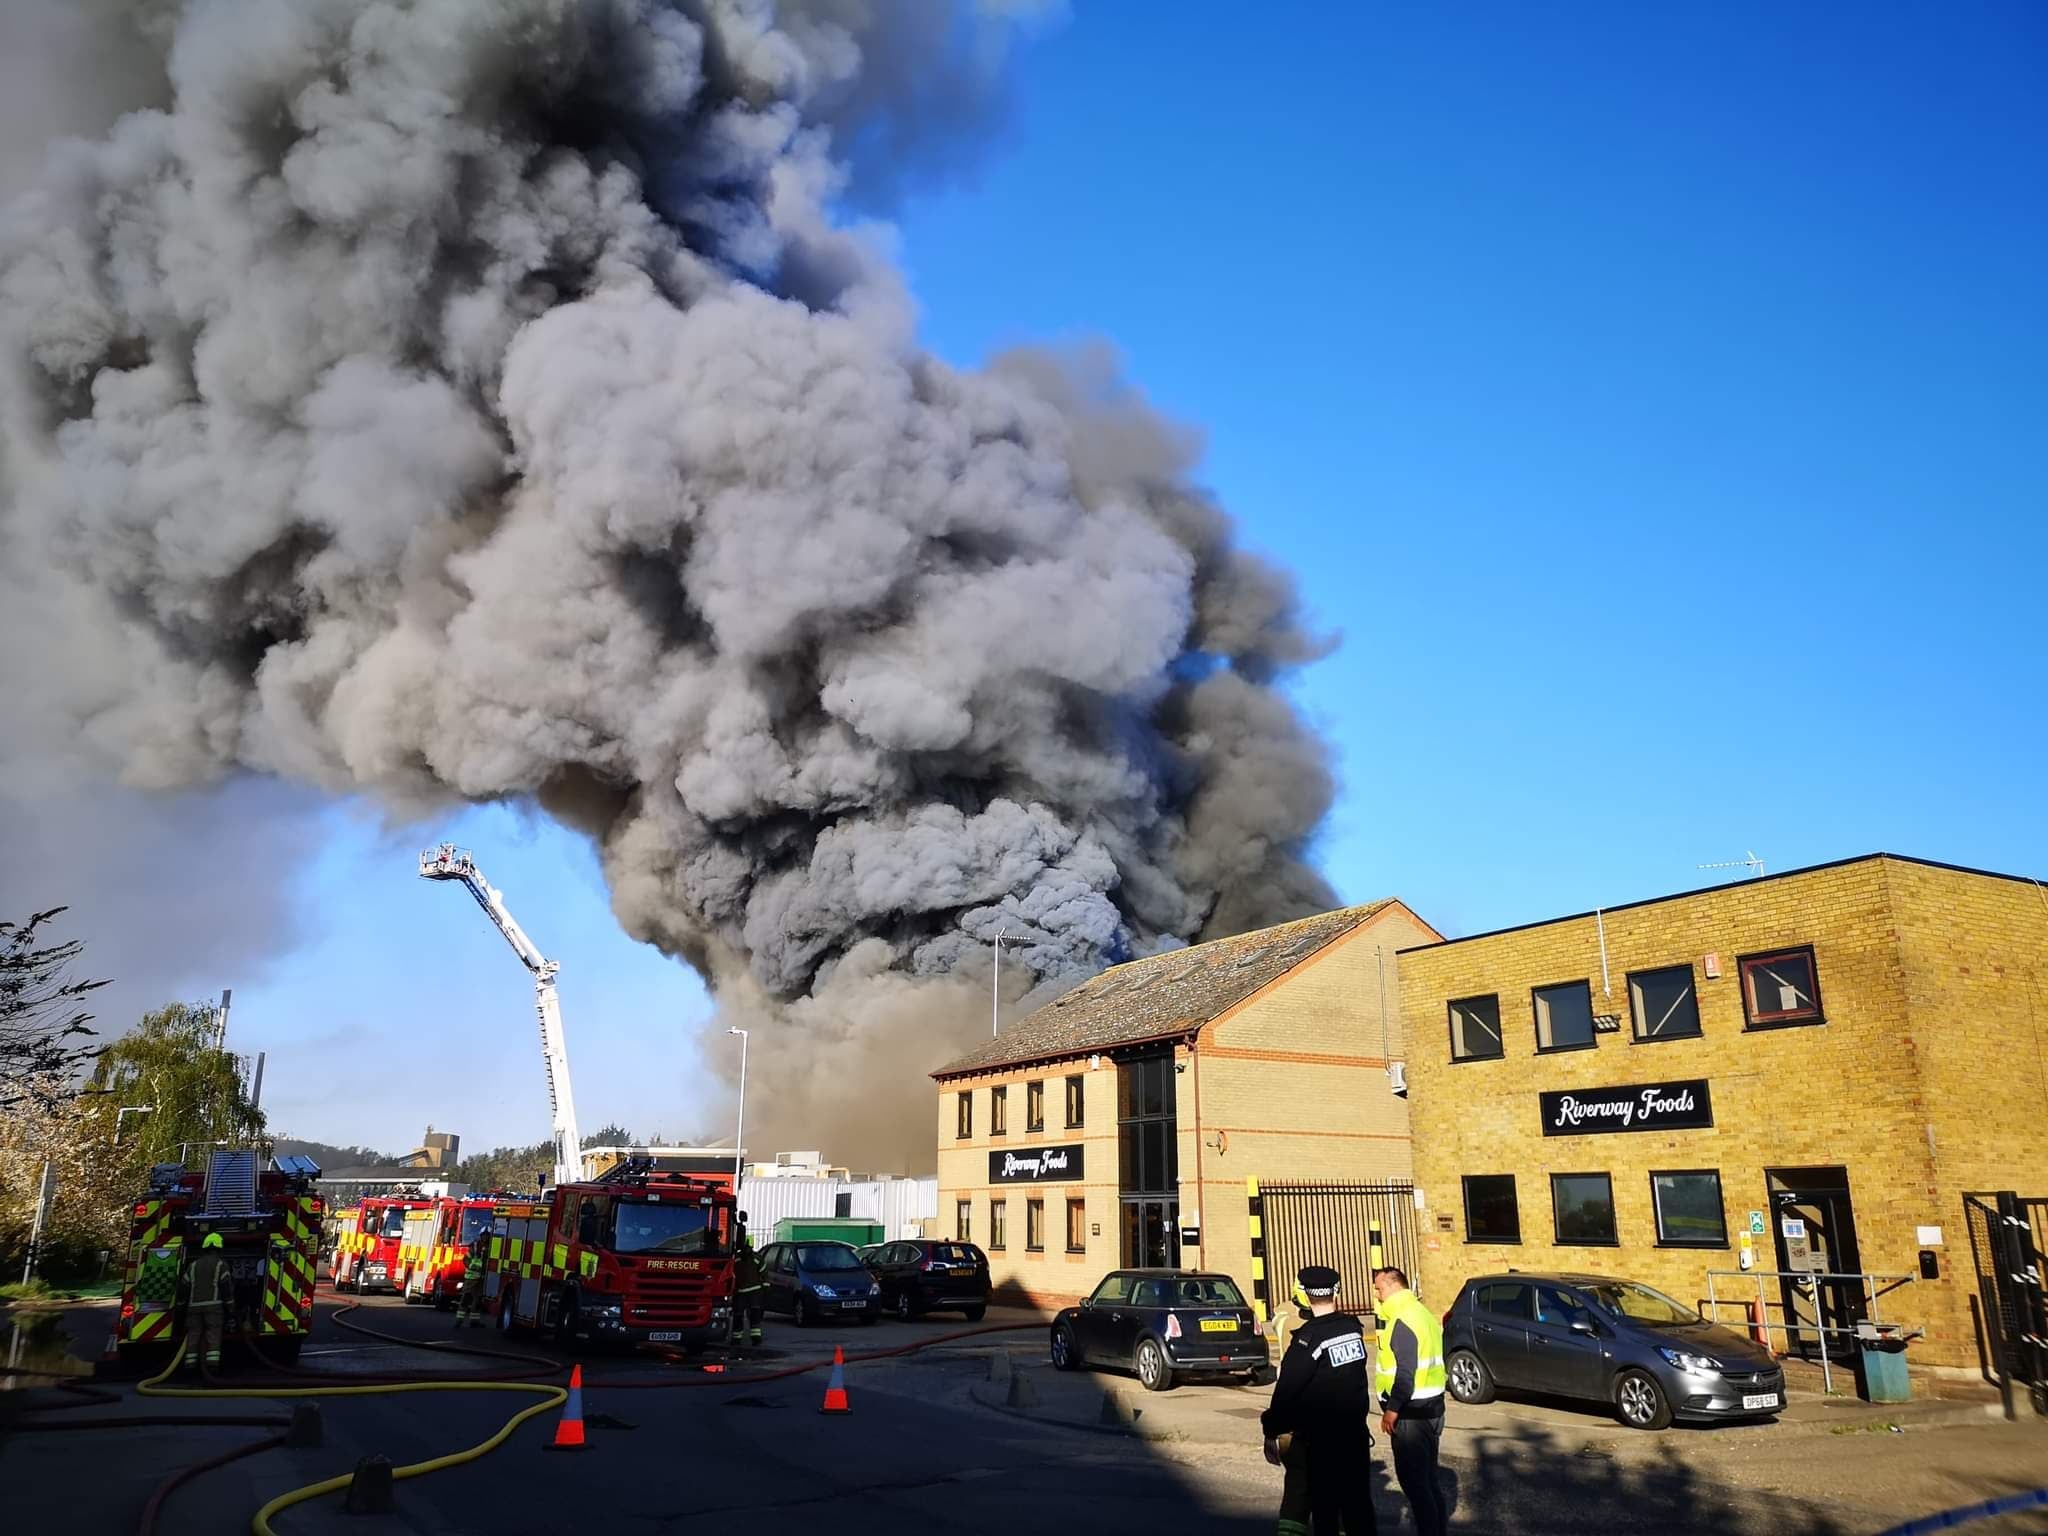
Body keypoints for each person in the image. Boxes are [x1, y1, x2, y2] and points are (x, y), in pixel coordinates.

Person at [1261, 1265, 1377, 1535]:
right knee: (1358, 1507)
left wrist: (1271, 1429)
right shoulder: (1352, 1329)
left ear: (1303, 1293)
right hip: (1355, 1437)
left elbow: (1287, 1393)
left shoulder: (1307, 1341)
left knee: (1325, 1510)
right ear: (1336, 1291)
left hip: (1321, 1443)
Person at [1373, 1266, 1448, 1536]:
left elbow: (1405, 1373)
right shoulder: (1422, 1313)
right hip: (1433, 1408)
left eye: (1379, 1289)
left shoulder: (1402, 1320)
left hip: (1410, 1416)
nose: (1378, 1296)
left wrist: (1391, 1411)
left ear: (1393, 1286)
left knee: (1415, 1484)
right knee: (1429, 1480)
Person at [179, 1232, 233, 1373]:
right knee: (213, 1335)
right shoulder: (221, 1265)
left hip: (193, 1307)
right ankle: (212, 1366)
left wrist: (180, 1305)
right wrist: (231, 1307)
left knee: (193, 1335)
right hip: (213, 1308)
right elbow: (226, 1288)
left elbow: (184, 1286)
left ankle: (190, 1365)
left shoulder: (193, 1265)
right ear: (219, 1248)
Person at [732, 1214, 766, 1347]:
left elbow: (764, 1273)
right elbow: (764, 1273)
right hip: (750, 1292)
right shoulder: (753, 1259)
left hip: (746, 1292)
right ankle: (750, 1338)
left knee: (743, 1316)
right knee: (748, 1315)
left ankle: (741, 1339)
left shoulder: (738, 1259)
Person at [454, 1229, 490, 1328]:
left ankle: (474, 1321)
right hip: (471, 1278)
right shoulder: (474, 1246)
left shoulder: (491, 1247)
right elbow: (465, 1259)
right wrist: (471, 1266)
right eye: (484, 1235)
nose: (486, 1237)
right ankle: (459, 1321)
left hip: (482, 1279)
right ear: (481, 1235)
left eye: (487, 1235)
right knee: (466, 1299)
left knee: (478, 1301)